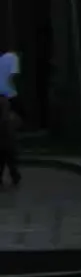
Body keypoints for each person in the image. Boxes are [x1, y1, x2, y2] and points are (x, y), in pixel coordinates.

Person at [0, 47, 20, 187]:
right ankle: (14, 175)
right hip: (5, 134)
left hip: (4, 133)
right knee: (6, 156)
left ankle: (14, 174)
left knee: (5, 155)